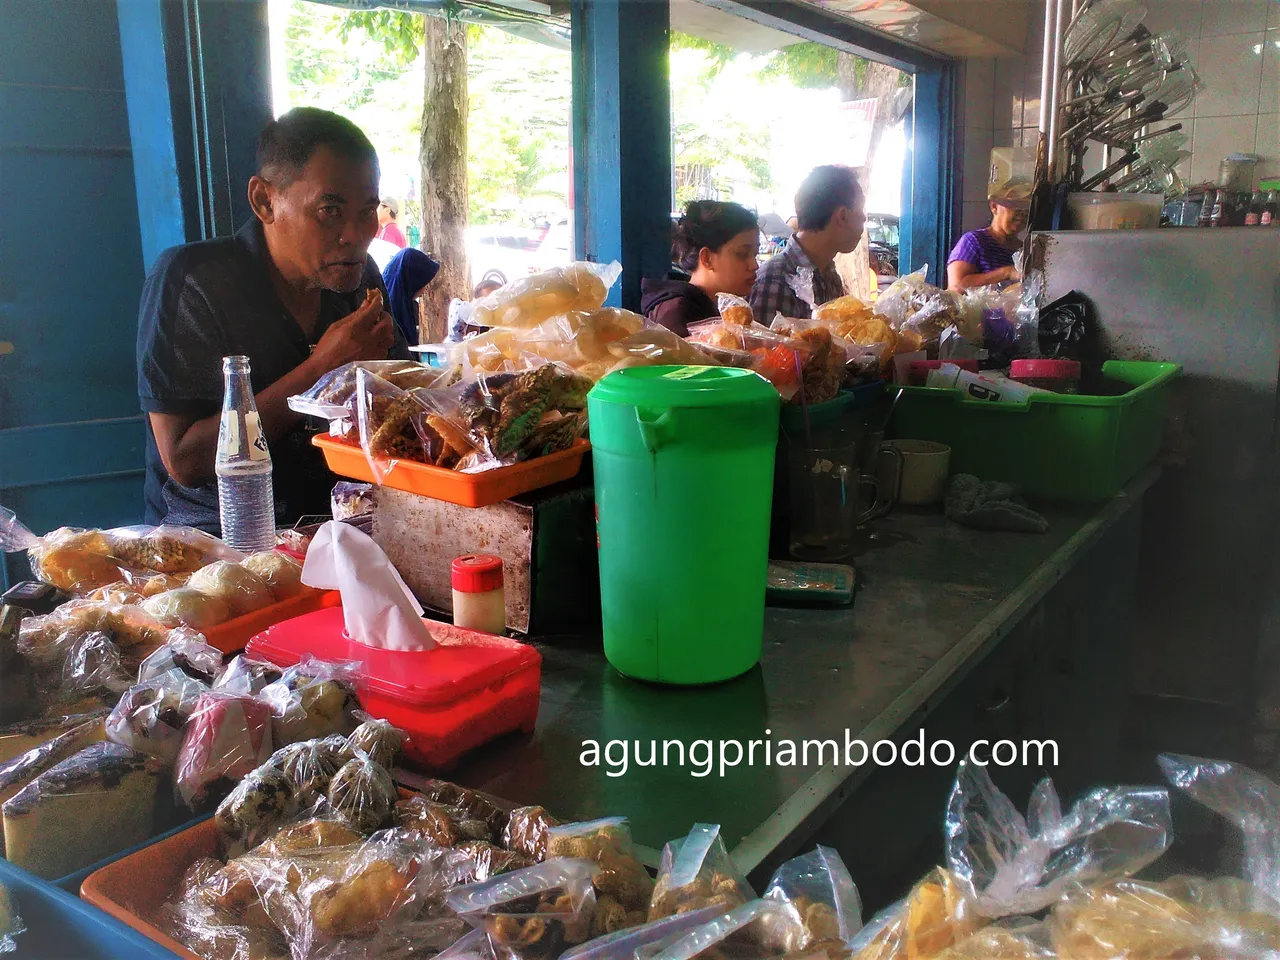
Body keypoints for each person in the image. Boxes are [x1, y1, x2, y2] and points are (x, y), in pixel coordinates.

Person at [137, 107, 410, 532]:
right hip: (222, 541)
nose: (355, 235)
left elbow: (398, 406)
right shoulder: (195, 282)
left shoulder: (361, 281)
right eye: (330, 211)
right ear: (265, 200)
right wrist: (321, 370)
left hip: (345, 521)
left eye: (367, 211)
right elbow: (185, 460)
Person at [751, 166, 865, 322]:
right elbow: (766, 346)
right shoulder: (775, 280)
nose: (864, 219)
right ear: (842, 216)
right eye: (861, 210)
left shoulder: (830, 276)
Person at [641, 200, 759, 336]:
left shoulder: (721, 308)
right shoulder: (676, 315)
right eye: (742, 254)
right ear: (707, 258)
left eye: (755, 254)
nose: (754, 265)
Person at [946, 197, 1027, 291]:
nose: (1022, 214)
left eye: (1026, 209)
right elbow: (956, 287)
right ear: (994, 206)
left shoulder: (1024, 250)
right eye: (1015, 206)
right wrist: (1007, 273)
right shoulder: (974, 241)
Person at [383, 248, 440, 347]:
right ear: (413, 282)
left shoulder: (406, 306)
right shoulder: (392, 316)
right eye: (424, 283)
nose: (426, 288)